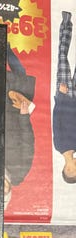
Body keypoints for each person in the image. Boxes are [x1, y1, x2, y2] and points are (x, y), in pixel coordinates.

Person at [4, 45, 36, 205]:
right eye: (4, 191)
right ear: (9, 191)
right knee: (20, 74)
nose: (2, 187)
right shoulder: (20, 173)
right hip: (16, 115)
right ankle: (5, 47)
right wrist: (24, 116)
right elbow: (28, 142)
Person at [53, 11, 76, 183]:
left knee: (62, 56)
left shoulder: (59, 145)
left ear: (68, 169)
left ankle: (66, 22)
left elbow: (57, 119)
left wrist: (61, 96)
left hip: (64, 94)